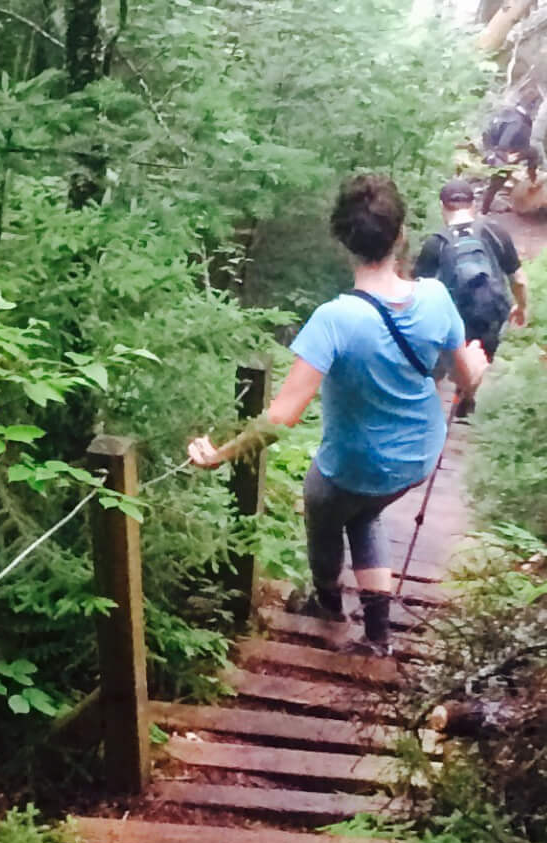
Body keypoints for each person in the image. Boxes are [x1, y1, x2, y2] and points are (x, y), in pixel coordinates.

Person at [187, 174, 488, 656]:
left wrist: (218, 456)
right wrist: (476, 362)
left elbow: (281, 417)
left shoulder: (334, 319)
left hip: (352, 467)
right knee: (365, 514)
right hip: (418, 457)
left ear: (342, 241)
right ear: (402, 233)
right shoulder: (435, 298)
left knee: (325, 503)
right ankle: (378, 636)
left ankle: (328, 603)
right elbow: (466, 378)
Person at [413, 178, 528, 379]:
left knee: (442, 373)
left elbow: (418, 294)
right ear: (473, 204)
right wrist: (521, 306)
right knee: (481, 363)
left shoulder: (435, 243)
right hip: (490, 316)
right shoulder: (495, 231)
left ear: (442, 206)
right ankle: (470, 397)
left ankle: (448, 392)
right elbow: (518, 279)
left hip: (451, 324)